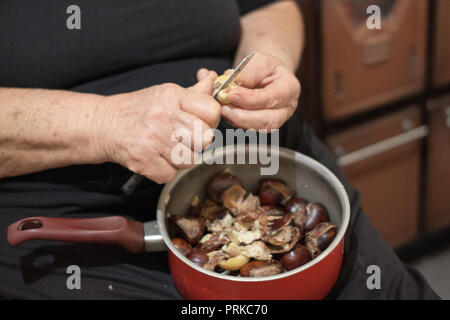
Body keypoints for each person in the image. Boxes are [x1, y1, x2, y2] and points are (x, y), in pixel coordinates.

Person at [0, 0, 439, 299]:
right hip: (78, 205)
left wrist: (271, 62)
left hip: (268, 160)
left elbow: (267, 7)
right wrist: (104, 125)